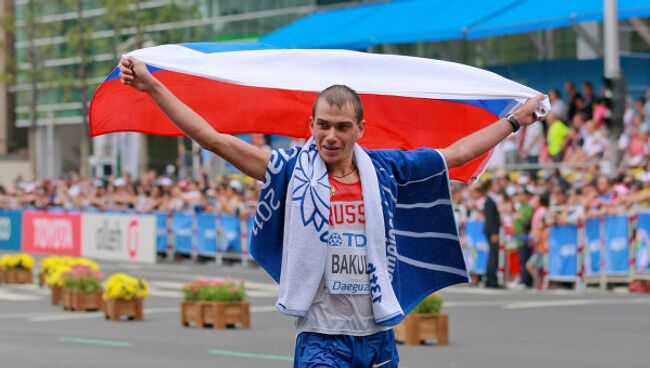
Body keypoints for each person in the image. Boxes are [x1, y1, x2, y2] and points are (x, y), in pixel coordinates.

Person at [119, 56, 543, 368]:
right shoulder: (289, 168)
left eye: (342, 127)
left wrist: (515, 121)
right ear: (311, 125)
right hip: (322, 337)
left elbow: (455, 153)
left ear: (360, 130)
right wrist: (153, 87)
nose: (331, 136)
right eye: (323, 125)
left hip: (377, 335)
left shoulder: (385, 169)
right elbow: (213, 139)